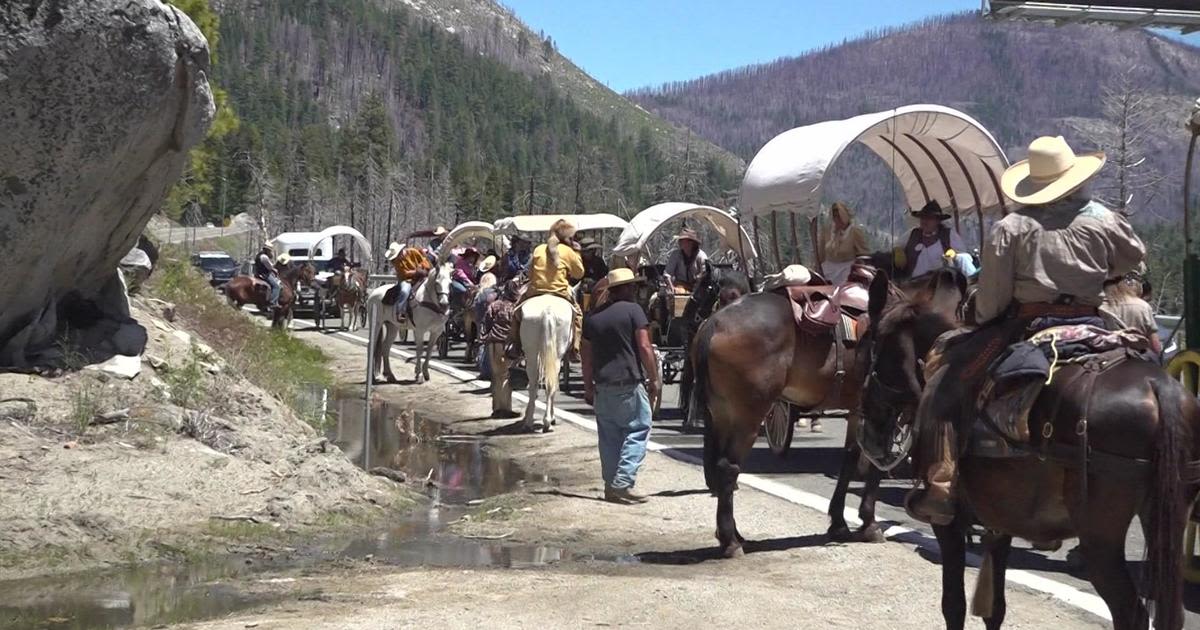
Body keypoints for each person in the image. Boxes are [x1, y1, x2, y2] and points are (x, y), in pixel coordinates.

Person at [906, 135, 1146, 526]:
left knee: (946, 381)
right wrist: (1098, 270)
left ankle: (942, 484)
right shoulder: (1101, 217)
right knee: (1144, 357)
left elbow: (994, 301)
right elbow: (1134, 255)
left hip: (1029, 322)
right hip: (1092, 319)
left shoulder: (1012, 226)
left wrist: (982, 314)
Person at [582, 268, 660, 504]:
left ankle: (610, 485)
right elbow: (645, 347)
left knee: (609, 436)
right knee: (639, 428)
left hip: (602, 385)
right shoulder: (634, 311)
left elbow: (586, 357)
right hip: (627, 383)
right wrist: (654, 376)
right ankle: (623, 482)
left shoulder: (593, 317)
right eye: (633, 287)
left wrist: (587, 387)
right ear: (626, 288)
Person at [508, 219, 585, 360]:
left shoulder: (538, 249)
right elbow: (579, 273)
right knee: (578, 315)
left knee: (516, 311)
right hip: (560, 292)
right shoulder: (569, 252)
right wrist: (577, 253)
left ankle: (515, 345)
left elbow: (530, 274)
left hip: (536, 290)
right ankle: (575, 348)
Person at [481, 280, 522, 418]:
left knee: (496, 376)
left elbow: (486, 322)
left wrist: (485, 339)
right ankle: (505, 409)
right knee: (505, 376)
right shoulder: (516, 307)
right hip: (506, 344)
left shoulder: (495, 305)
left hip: (492, 342)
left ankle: (496, 407)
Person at [902, 200, 969, 278]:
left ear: (937, 221)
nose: (925, 221)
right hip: (913, 284)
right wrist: (898, 251)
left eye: (929, 218)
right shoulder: (912, 234)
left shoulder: (949, 235)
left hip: (941, 284)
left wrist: (954, 255)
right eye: (923, 218)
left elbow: (963, 257)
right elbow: (897, 248)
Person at [1103, 271, 1162, 355]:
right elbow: (1155, 345)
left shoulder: (1098, 305)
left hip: (1106, 359)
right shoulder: (1142, 306)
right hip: (1136, 358)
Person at [819, 201, 869, 284]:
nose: (837, 219)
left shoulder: (854, 232)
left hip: (847, 270)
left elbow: (863, 254)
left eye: (839, 216)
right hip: (828, 269)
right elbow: (821, 254)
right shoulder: (827, 232)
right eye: (834, 216)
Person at [385, 240, 431, 319]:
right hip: (406, 280)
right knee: (404, 291)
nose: (397, 257)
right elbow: (404, 274)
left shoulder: (413, 252)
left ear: (401, 251)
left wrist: (423, 267)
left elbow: (424, 261)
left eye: (397, 255)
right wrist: (416, 272)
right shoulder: (396, 261)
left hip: (421, 276)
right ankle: (400, 311)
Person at [663, 227, 708, 291]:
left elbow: (706, 274)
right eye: (680, 240)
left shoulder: (701, 256)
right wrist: (672, 288)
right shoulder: (676, 255)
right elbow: (667, 274)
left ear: (691, 242)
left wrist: (699, 278)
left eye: (683, 240)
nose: (680, 242)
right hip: (679, 287)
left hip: (697, 290)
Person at [254, 243, 281, 308]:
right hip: (264, 274)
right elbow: (270, 267)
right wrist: (275, 270)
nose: (270, 252)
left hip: (259, 273)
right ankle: (272, 302)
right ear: (267, 250)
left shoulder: (259, 255)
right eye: (270, 251)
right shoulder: (264, 257)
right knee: (276, 286)